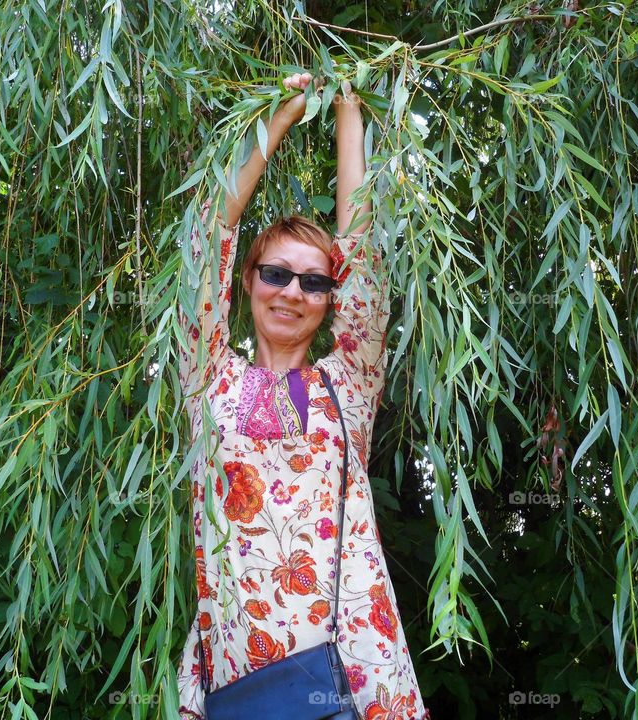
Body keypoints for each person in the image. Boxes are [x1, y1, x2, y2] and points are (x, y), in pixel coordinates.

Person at [175, 71, 429, 720]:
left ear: (329, 299)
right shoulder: (210, 379)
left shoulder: (347, 384)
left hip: (355, 675)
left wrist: (347, 110)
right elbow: (204, 241)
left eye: (314, 282)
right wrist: (280, 116)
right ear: (248, 280)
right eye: (276, 273)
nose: (292, 292)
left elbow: (362, 256)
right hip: (237, 678)